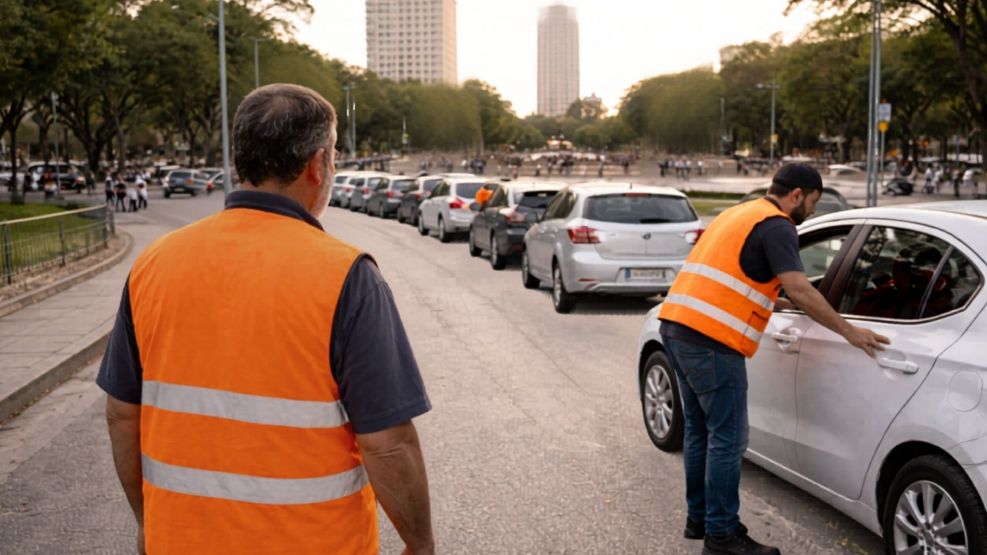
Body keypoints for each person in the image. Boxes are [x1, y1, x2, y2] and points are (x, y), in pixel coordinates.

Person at [98, 84, 434, 555]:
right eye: (333, 157)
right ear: (317, 166)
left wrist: (146, 522)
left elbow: (121, 414)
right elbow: (388, 444)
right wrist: (420, 544)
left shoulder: (155, 263)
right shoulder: (347, 277)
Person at [657, 162, 889, 555]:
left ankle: (702, 520)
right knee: (729, 440)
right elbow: (800, 288)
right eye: (813, 202)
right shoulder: (778, 224)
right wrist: (849, 330)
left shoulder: (740, 213)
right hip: (713, 342)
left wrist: (775, 301)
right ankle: (722, 536)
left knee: (701, 431)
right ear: (797, 195)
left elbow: (740, 278)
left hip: (676, 326)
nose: (813, 212)